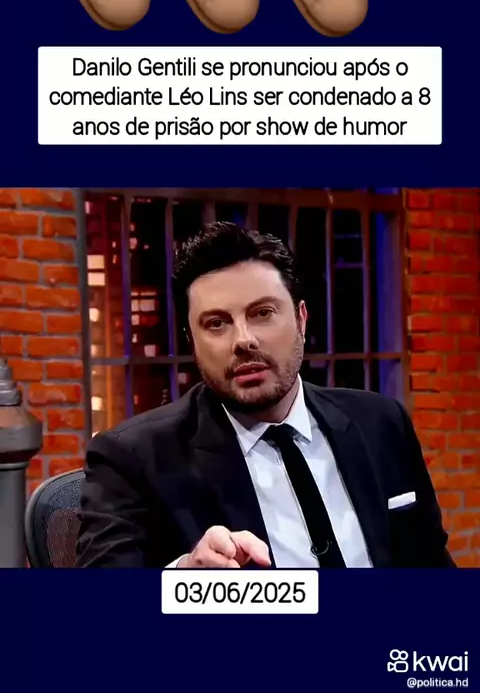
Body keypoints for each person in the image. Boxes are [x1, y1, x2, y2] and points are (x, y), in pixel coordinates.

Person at [75, 221, 455, 569]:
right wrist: (185, 578)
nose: (243, 340)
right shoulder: (132, 458)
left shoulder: (381, 423)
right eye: (217, 323)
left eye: (262, 313)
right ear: (192, 340)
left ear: (301, 319)